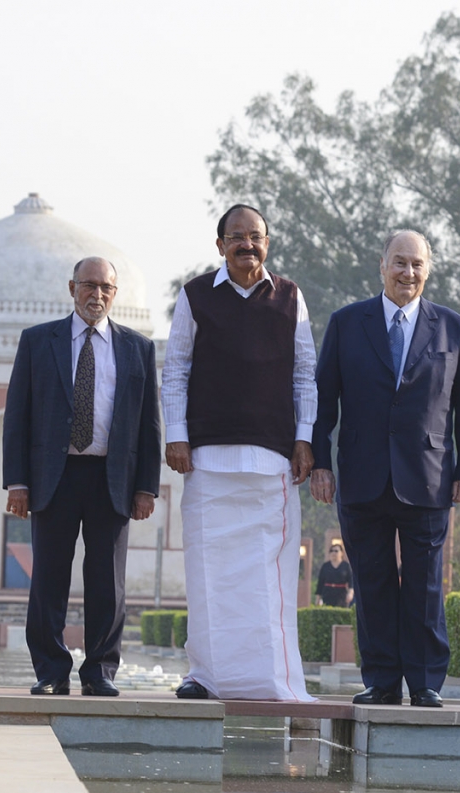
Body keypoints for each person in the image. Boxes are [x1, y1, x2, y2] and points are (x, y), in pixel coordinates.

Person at [311, 230, 460, 708]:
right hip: (362, 476)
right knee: (372, 583)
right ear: (382, 265)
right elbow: (323, 401)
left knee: (425, 586)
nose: (408, 273)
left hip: (428, 478)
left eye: (417, 265)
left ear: (428, 270)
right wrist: (319, 464)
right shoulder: (347, 324)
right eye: (399, 263)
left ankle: (425, 680)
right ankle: (382, 680)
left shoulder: (454, 328)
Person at [163, 204, 316, 702]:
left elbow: (304, 375)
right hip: (207, 458)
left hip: (272, 459)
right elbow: (177, 370)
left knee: (267, 580)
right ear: (220, 244)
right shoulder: (194, 298)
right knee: (209, 574)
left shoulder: (290, 297)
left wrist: (305, 438)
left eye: (255, 236)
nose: (246, 245)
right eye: (236, 237)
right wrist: (176, 434)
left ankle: (272, 678)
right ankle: (205, 676)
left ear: (267, 241)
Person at [3, 256, 161, 697]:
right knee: (49, 577)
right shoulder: (39, 341)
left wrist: (147, 486)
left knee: (107, 581)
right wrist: (17, 482)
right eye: (89, 285)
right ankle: (52, 670)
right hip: (55, 475)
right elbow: (18, 416)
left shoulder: (137, 348)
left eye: (106, 288)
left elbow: (149, 423)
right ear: (72, 287)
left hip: (111, 477)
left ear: (115, 294)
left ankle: (100, 671)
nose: (97, 295)